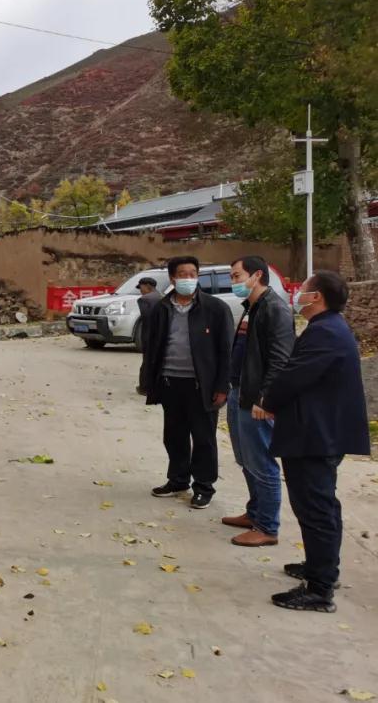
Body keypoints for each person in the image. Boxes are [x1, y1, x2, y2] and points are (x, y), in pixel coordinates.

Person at [260, 271, 370, 612]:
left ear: (316, 297)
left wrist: (267, 401)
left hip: (315, 436)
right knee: (321, 505)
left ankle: (320, 589)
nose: (298, 295)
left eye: (303, 290)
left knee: (315, 508)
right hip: (319, 432)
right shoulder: (328, 327)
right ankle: (320, 567)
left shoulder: (326, 332)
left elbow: (294, 376)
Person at [139, 256, 233, 509]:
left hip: (202, 386)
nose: (189, 279)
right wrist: (148, 380)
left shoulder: (215, 308)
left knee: (204, 439)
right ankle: (178, 480)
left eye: (193, 274)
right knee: (174, 436)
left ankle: (204, 486)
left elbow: (226, 350)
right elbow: (151, 346)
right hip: (170, 382)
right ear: (172, 278)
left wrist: (222, 386)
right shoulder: (161, 308)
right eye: (183, 274)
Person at [222, 256, 294, 547]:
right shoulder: (251, 307)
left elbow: (280, 359)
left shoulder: (274, 309)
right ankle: (254, 512)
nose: (234, 282)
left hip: (257, 398)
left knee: (261, 462)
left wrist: (266, 399)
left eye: (237, 276)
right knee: (246, 459)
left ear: (257, 276)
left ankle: (267, 527)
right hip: (239, 390)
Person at [136, 276, 161, 350]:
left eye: (141, 287)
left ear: (148, 286)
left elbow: (146, 319)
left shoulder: (144, 299)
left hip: (149, 336)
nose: (140, 291)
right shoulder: (162, 296)